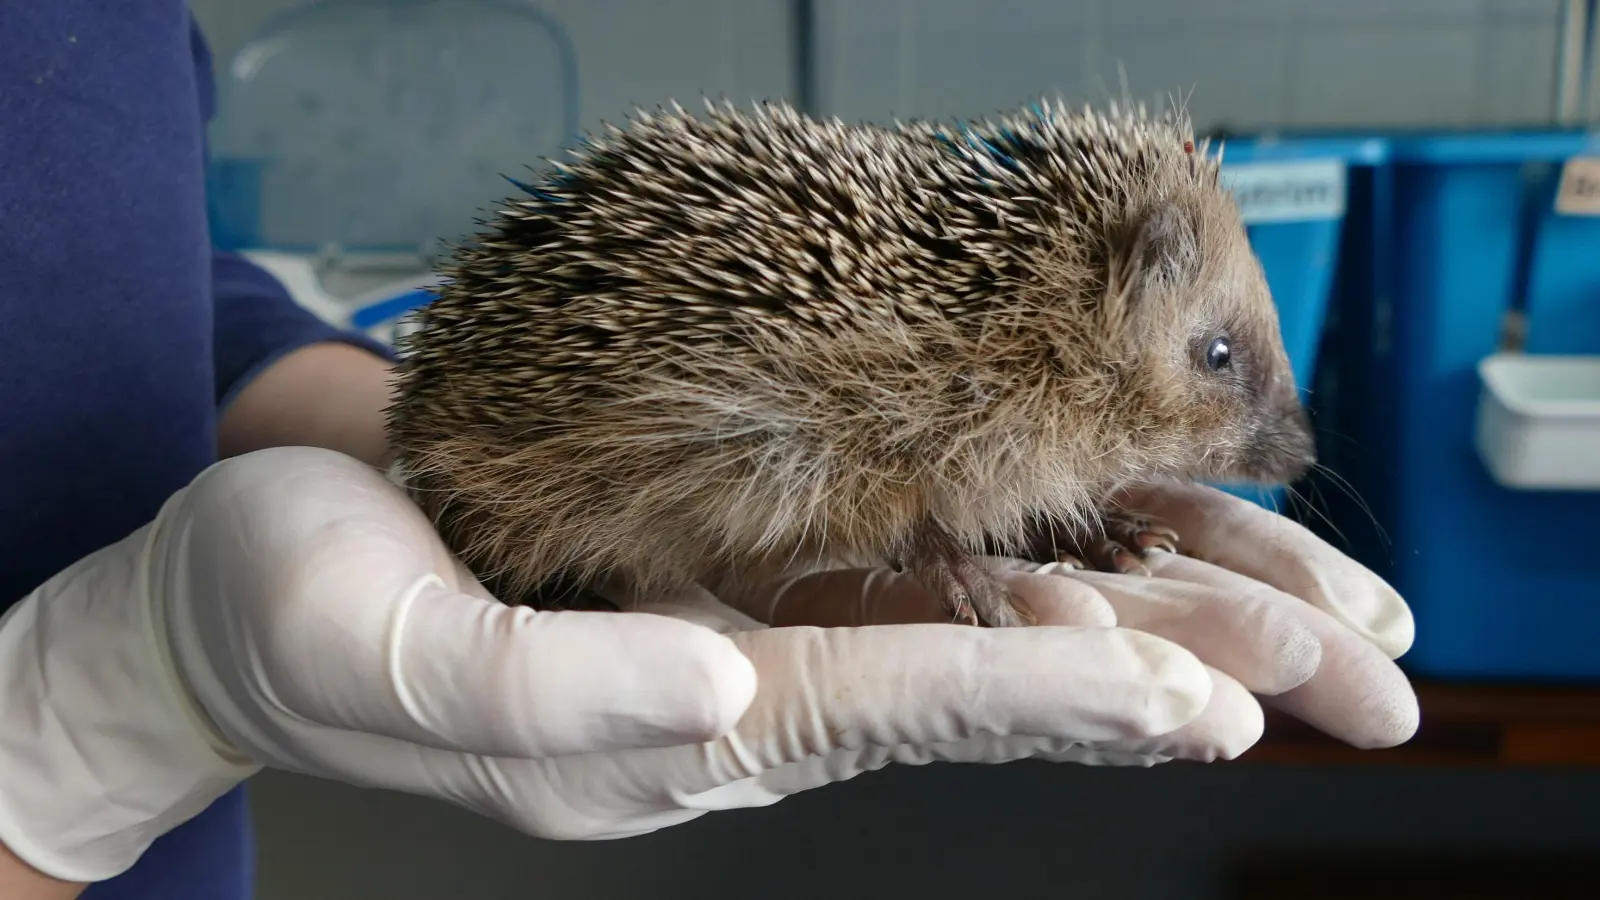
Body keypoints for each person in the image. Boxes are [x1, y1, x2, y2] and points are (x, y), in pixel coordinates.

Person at [0, 5, 1419, 899]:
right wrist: (93, 727)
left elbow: (137, 257)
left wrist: (312, 398)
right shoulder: (966, 376)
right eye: (1222, 365)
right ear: (1109, 294)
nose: (1263, 429)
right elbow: (892, 480)